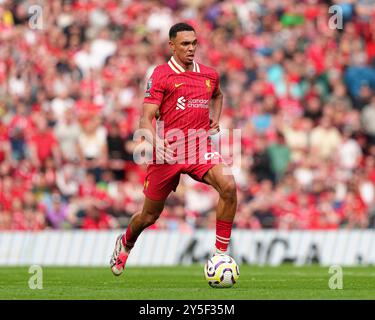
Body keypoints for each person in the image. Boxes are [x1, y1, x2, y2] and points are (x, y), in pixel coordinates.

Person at [110, 22, 238, 276]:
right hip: (167, 151)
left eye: (194, 43)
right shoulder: (161, 75)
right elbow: (145, 119)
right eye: (185, 44)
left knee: (229, 186)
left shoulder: (210, 75)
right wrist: (156, 142)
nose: (191, 49)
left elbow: (219, 95)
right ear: (172, 46)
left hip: (199, 147)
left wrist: (215, 117)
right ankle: (126, 243)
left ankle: (220, 254)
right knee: (148, 216)